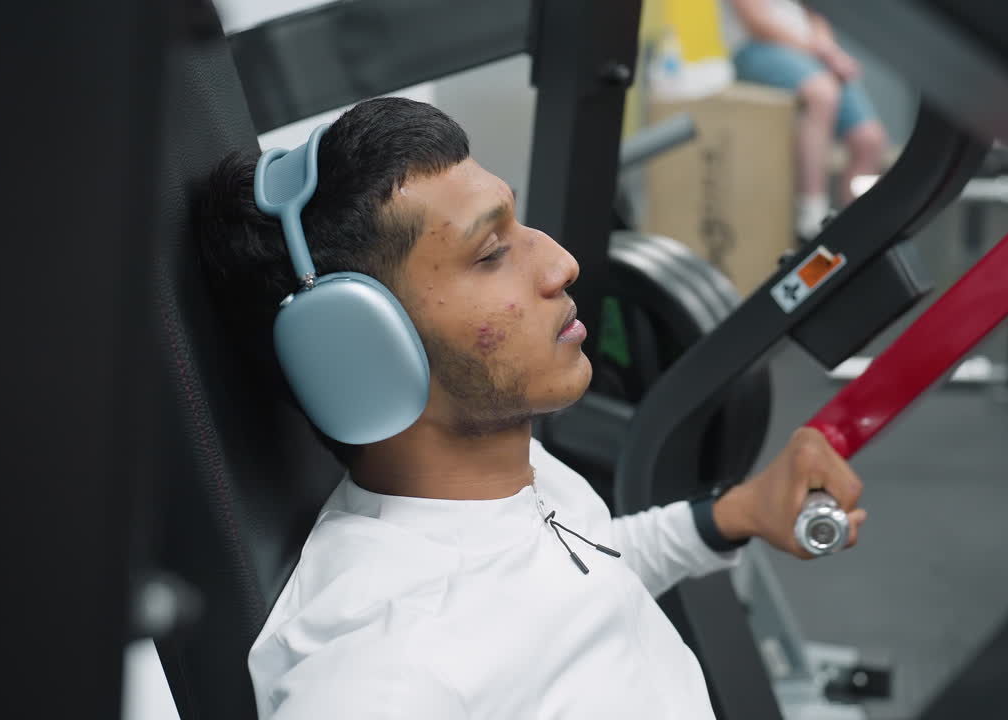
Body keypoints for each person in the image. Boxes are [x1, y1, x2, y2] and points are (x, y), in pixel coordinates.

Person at [197, 97, 866, 719]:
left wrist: (729, 516)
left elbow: (582, 563)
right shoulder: (388, 670)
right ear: (366, 351)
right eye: (490, 254)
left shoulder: (514, 480)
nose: (561, 264)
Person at [719, 0, 889, 240]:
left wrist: (829, 50)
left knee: (870, 140)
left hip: (812, 54)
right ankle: (812, 213)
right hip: (757, 48)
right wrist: (817, 51)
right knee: (822, 94)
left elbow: (817, 15)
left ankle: (862, 224)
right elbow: (756, 20)